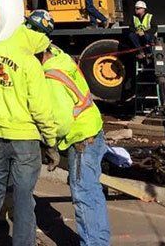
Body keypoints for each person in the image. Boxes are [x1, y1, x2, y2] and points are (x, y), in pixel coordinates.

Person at [0, 9, 60, 246]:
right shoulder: (30, 63)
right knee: (23, 199)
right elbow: (41, 110)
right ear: (42, 37)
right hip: (25, 142)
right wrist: (51, 144)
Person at [39, 43, 110, 246]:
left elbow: (61, 123)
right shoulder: (62, 58)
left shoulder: (50, 76)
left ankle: (93, 243)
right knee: (92, 192)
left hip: (80, 139)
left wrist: (49, 143)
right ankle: (99, 241)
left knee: (84, 195)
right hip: (92, 129)